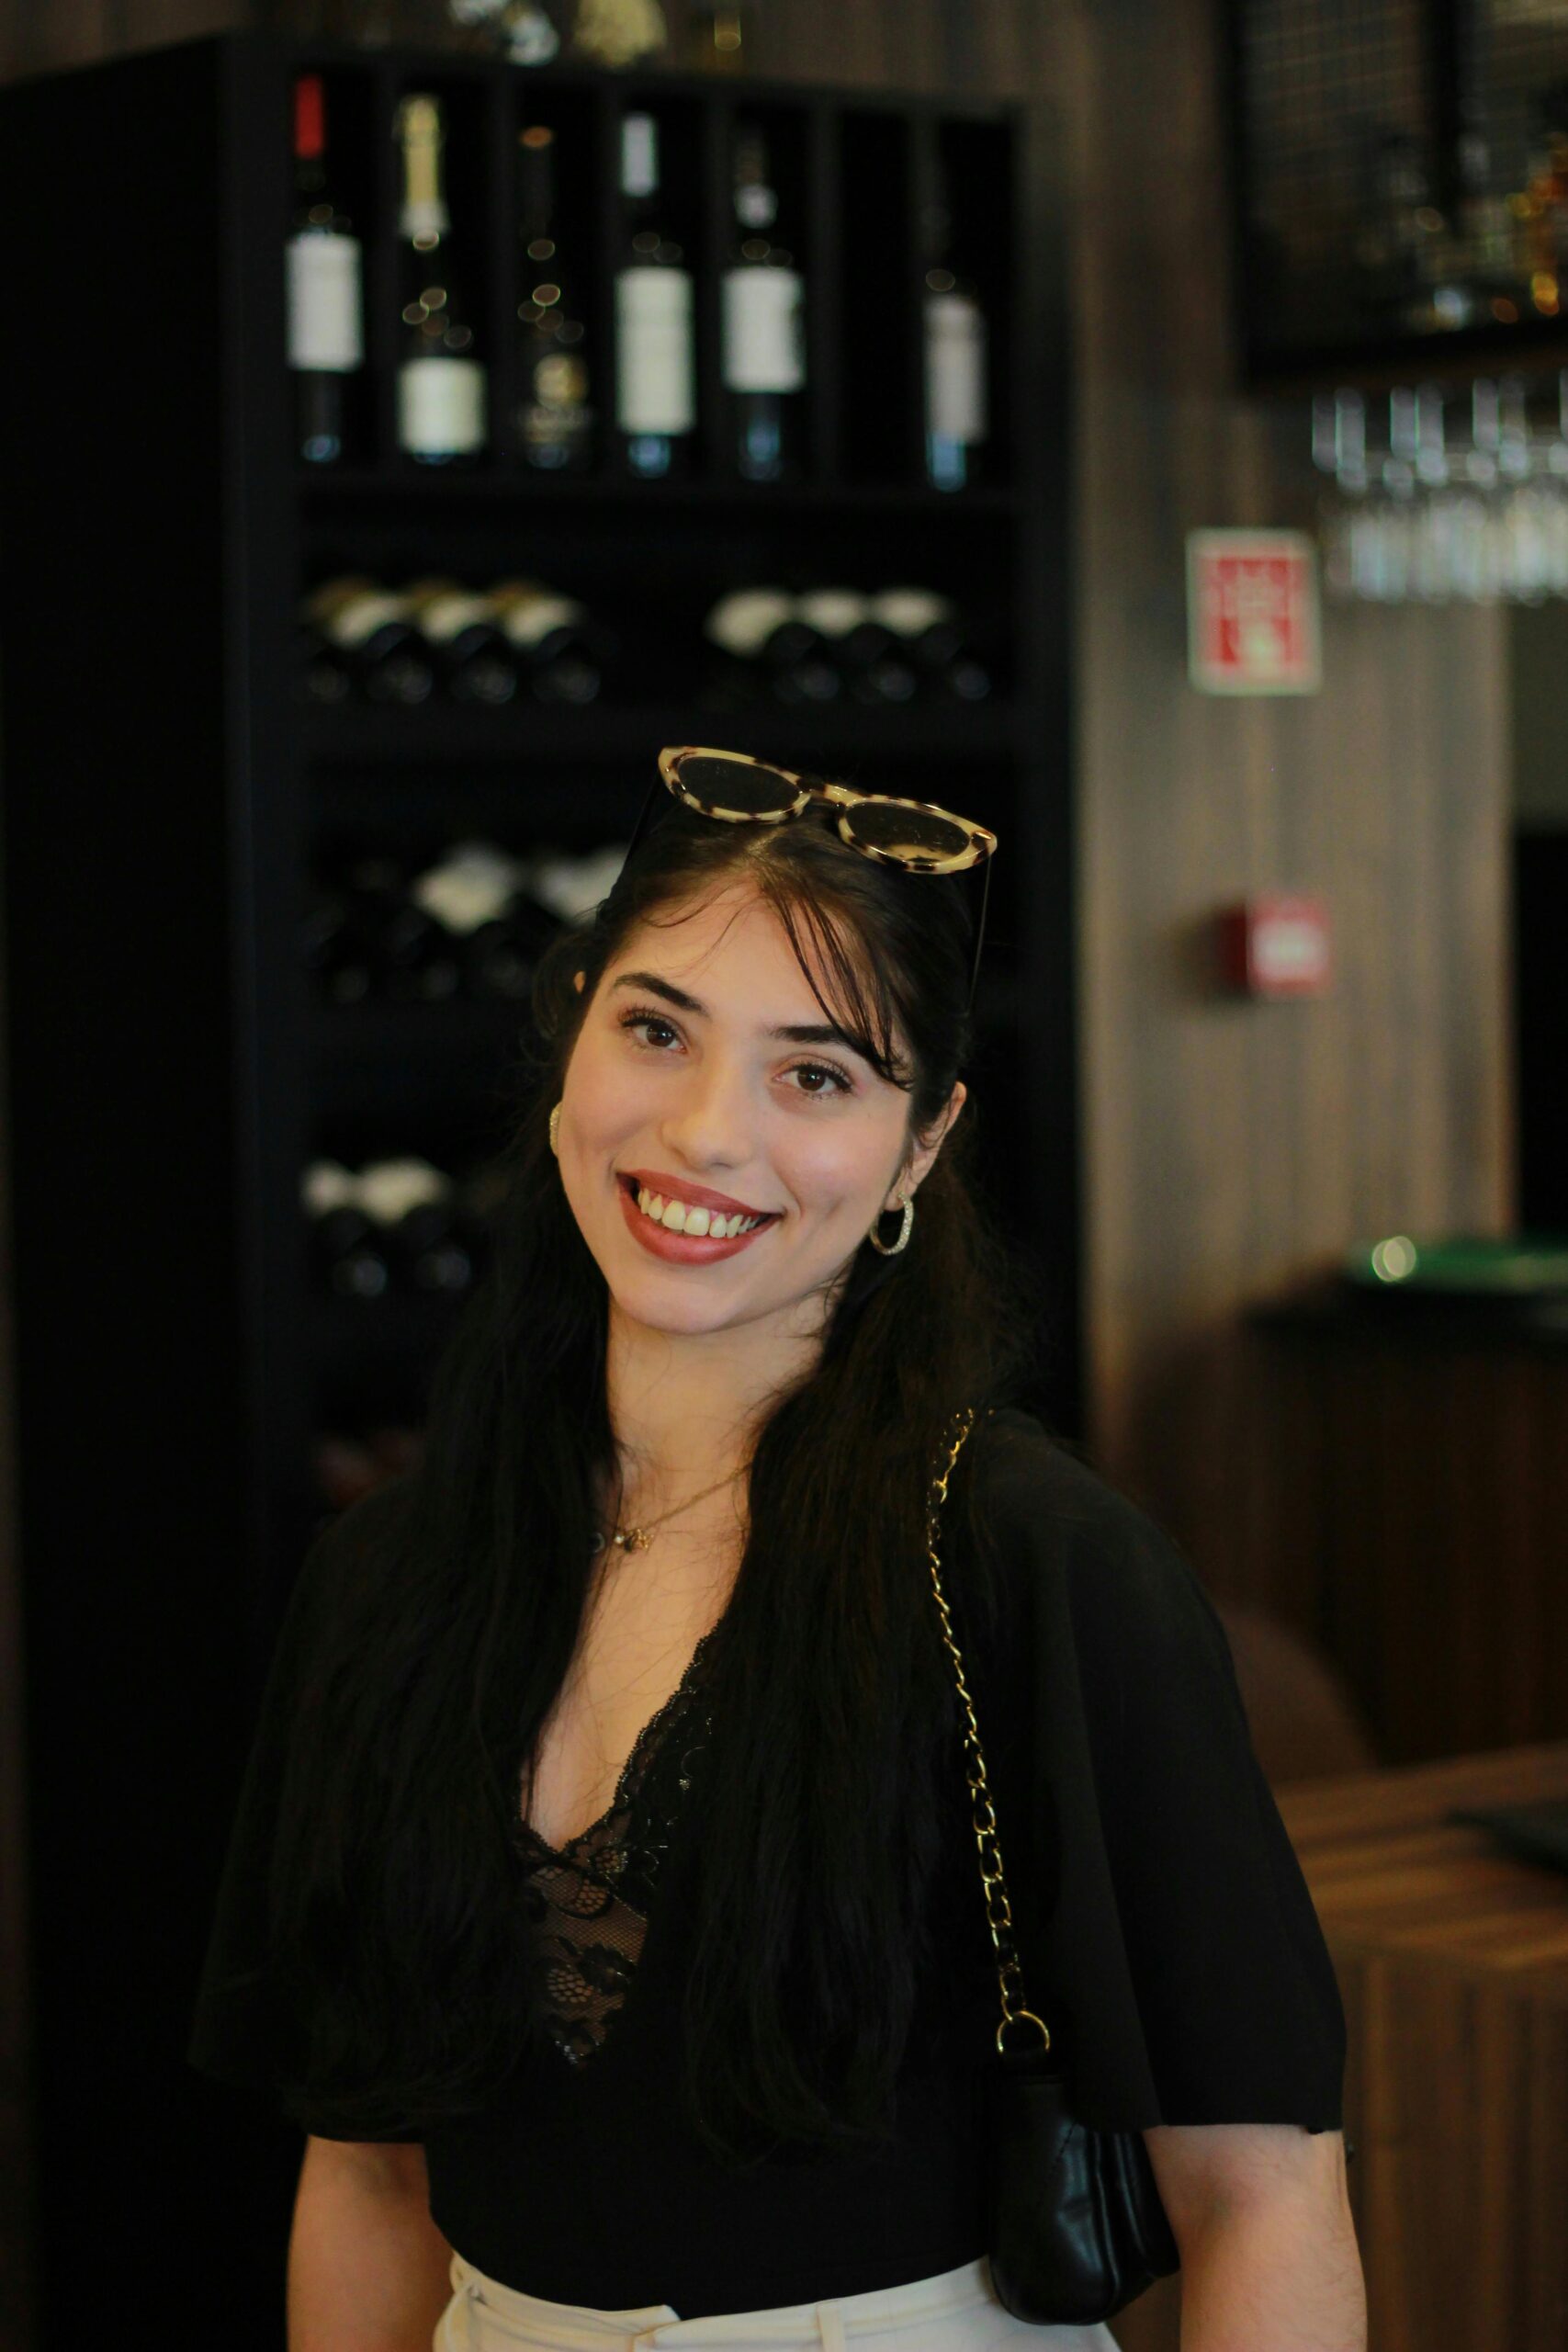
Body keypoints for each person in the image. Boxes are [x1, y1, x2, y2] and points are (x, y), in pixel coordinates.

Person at [189, 748, 1366, 2351]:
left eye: (816, 1076)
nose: (705, 1132)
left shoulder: (1038, 1566)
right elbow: (368, 2176)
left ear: (920, 1146)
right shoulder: (390, 1577)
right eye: (657, 1030)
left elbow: (1262, 2205)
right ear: (570, 1047)